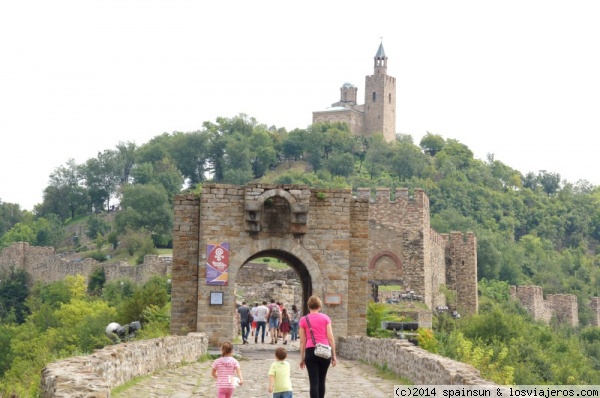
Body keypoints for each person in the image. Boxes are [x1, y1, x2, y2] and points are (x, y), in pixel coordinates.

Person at [299, 295, 337, 398]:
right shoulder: (325, 318)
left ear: (308, 306)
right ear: (319, 306)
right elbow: (330, 337)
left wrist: (302, 358)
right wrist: (334, 355)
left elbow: (302, 341)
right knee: (322, 380)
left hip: (311, 351)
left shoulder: (303, 320)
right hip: (325, 351)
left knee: (313, 382)